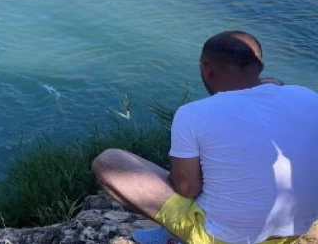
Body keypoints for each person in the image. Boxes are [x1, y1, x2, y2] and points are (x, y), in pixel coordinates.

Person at [92, 31, 318, 244]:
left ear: (206, 69)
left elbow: (187, 189)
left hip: (221, 238)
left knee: (109, 161)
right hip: (293, 231)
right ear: (259, 67)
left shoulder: (192, 114)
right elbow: (274, 85)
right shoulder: (308, 97)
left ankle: (174, 236)